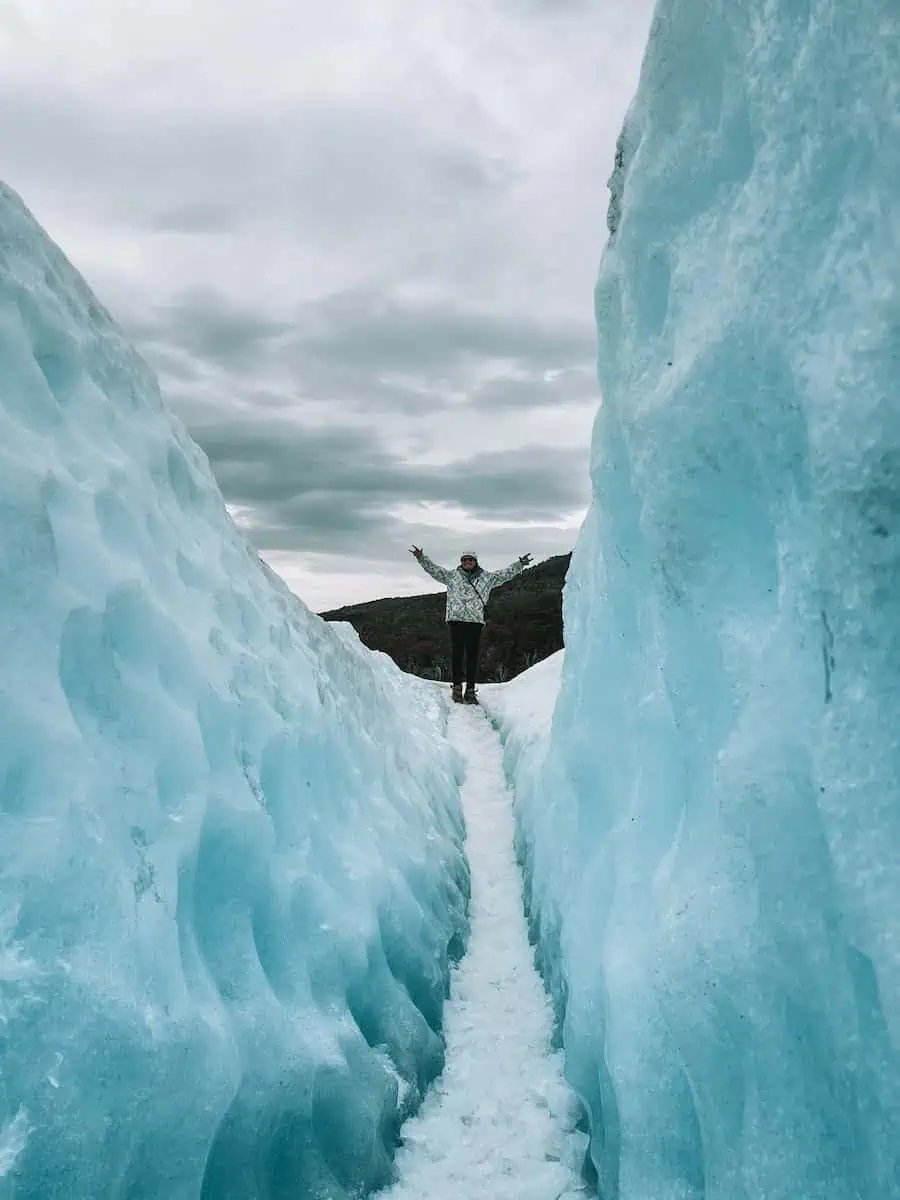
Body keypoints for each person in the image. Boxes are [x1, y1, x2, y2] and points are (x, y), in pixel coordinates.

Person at [409, 546, 533, 704]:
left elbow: (505, 574)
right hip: (456, 620)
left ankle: (470, 690)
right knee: (457, 654)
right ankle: (457, 688)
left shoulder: (487, 578)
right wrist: (421, 557)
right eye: (464, 560)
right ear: (461, 562)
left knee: (473, 656)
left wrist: (520, 564)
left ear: (475, 561)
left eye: (470, 559)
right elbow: (434, 570)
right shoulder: (452, 576)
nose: (467, 562)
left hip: (475, 621)